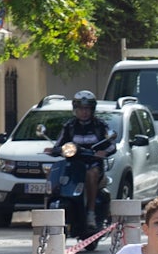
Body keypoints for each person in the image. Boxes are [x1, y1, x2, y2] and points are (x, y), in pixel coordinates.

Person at [46, 90, 116, 229]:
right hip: (73, 164)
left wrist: (103, 152)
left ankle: (90, 213)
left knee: (91, 175)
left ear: (92, 110)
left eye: (87, 109)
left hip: (93, 163)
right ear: (75, 109)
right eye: (80, 109)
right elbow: (59, 144)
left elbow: (111, 145)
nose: (84, 112)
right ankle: (50, 211)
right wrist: (54, 150)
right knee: (54, 171)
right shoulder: (70, 126)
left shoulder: (100, 126)